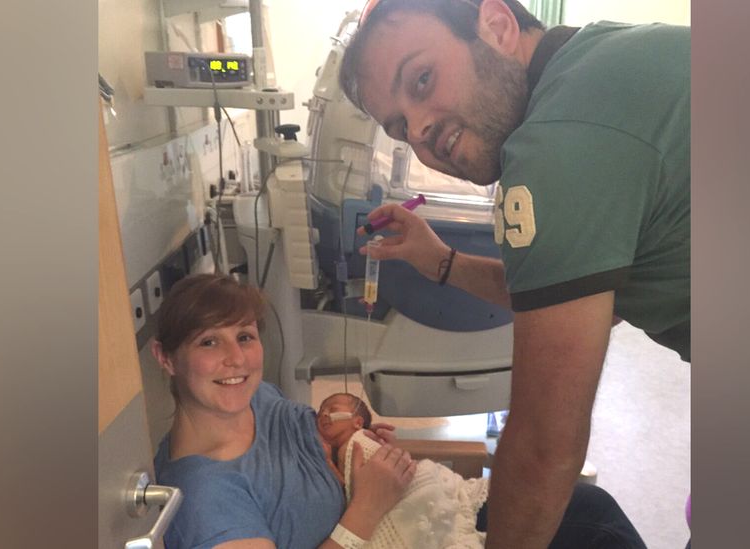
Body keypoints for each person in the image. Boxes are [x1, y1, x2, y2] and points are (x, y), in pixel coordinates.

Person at [339, 0, 690, 547]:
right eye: (400, 127)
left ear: (498, 25)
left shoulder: (558, 140)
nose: (422, 128)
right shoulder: (603, 56)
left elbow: (546, 445)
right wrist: (439, 261)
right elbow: (592, 296)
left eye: (423, 79)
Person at [150, 273, 417, 549]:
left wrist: (350, 444)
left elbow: (309, 448)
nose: (237, 359)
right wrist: (369, 506)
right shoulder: (202, 497)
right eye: (209, 342)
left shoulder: (259, 397)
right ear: (166, 358)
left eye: (244, 337)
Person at [316, 392, 489, 548]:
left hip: (415, 485)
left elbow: (346, 481)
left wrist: (328, 461)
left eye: (332, 409)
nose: (323, 414)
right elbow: (349, 485)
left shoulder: (353, 446)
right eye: (321, 411)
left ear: (358, 422)